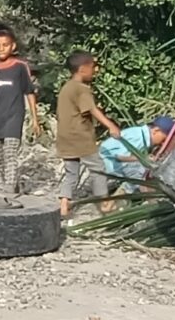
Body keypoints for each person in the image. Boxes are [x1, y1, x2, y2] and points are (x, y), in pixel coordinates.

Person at [53, 51, 124, 218]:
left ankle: (63, 205)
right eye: (93, 67)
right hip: (80, 138)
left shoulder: (66, 87)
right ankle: (104, 203)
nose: (96, 70)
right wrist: (111, 125)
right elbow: (92, 109)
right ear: (83, 69)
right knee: (98, 169)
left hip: (65, 138)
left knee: (71, 172)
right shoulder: (81, 89)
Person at [0, 26, 38, 194]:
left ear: (13, 46)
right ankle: (12, 184)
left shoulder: (20, 67)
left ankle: (9, 191)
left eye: (5, 45)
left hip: (14, 117)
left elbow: (29, 92)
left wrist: (34, 119)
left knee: (10, 153)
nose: (2, 48)